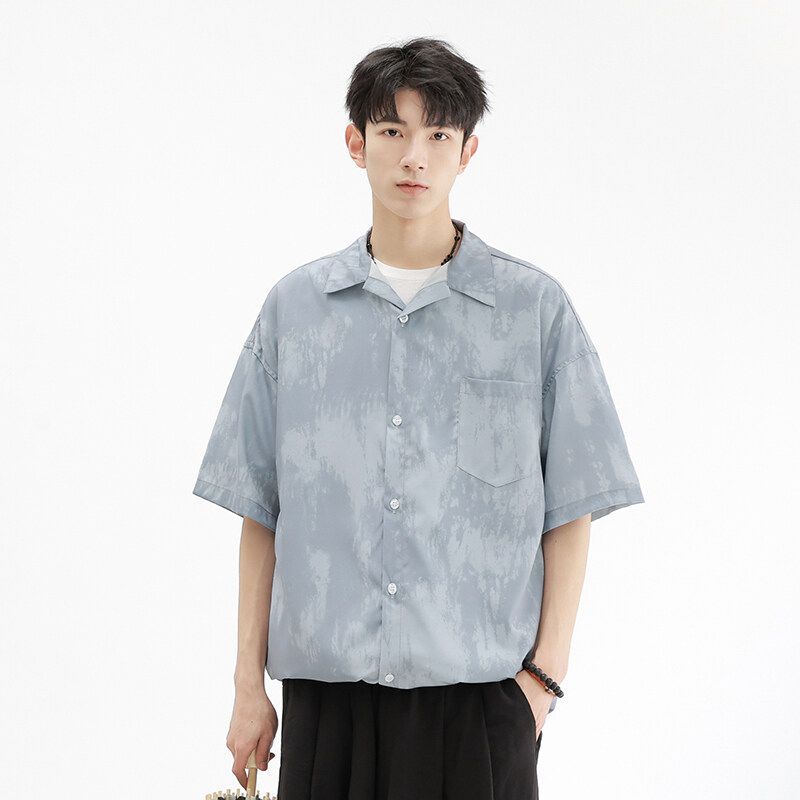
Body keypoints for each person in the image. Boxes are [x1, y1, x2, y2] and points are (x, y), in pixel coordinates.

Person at [192, 36, 644, 800]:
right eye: (392, 130)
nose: (414, 158)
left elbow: (572, 508)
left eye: (437, 134)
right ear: (355, 143)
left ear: (468, 152)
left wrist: (542, 683)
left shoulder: (533, 313)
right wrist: (246, 686)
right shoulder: (294, 312)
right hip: (327, 710)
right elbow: (260, 512)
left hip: (480, 712)